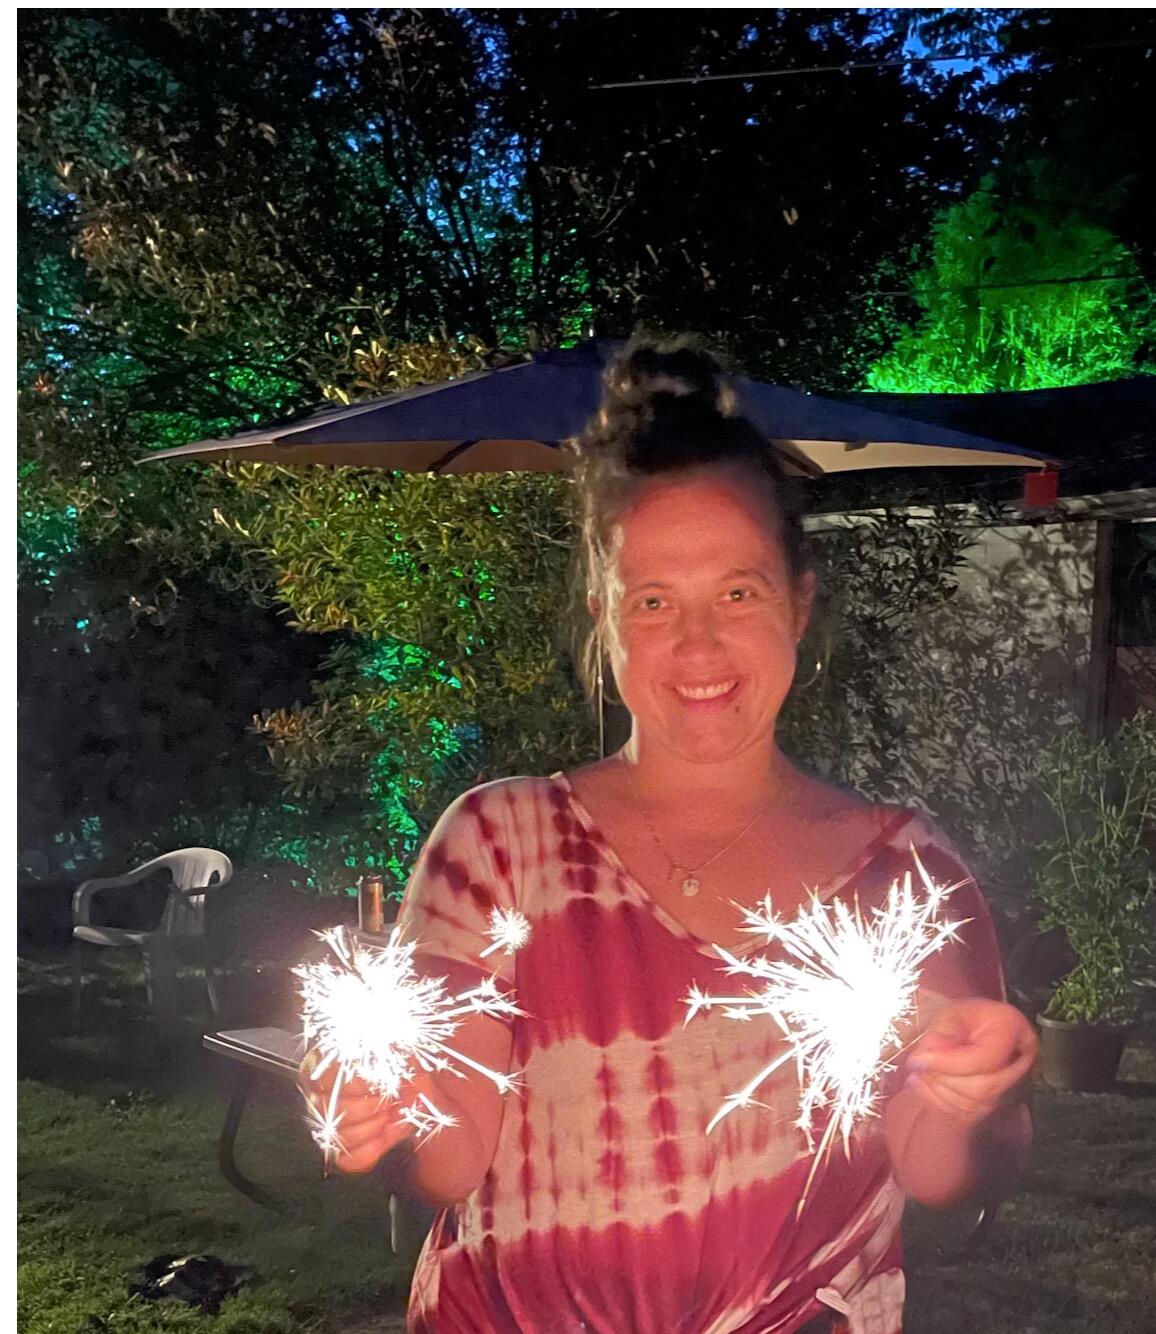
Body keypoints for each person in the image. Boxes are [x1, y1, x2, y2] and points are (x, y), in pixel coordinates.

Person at [303, 339, 1038, 1334]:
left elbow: (937, 1165)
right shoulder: (499, 844)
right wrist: (380, 1107)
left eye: (737, 591)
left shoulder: (902, 875)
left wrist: (967, 1095)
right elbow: (452, 1154)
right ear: (607, 620)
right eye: (653, 601)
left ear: (799, 603)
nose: (697, 644)